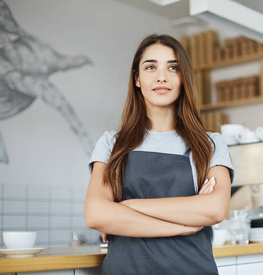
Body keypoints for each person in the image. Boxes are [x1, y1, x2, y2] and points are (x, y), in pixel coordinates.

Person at [84, 34, 234, 274]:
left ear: (183, 78)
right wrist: (186, 225)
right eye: (151, 67)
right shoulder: (112, 143)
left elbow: (215, 209)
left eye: (173, 67)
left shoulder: (209, 143)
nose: (161, 76)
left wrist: (126, 206)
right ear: (137, 79)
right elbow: (95, 214)